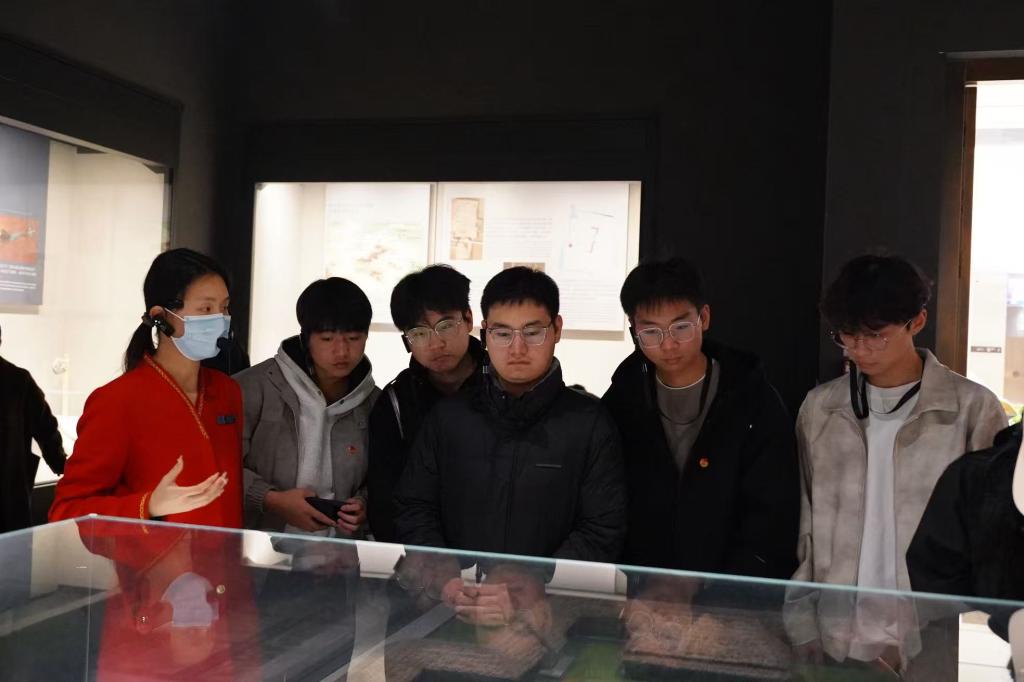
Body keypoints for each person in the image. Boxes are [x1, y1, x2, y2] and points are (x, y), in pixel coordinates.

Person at [784, 254, 1007, 670]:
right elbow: (805, 525)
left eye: (876, 336)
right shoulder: (821, 408)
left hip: (932, 636)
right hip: (835, 634)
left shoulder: (970, 409)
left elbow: (991, 538)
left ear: (917, 321)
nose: (859, 349)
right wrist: (801, 620)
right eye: (847, 335)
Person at [393, 266, 627, 565]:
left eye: (532, 333)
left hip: (552, 594)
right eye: (503, 333)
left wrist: (539, 580)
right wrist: (442, 570)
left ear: (557, 329)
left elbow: (603, 526)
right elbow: (414, 506)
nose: (517, 349)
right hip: (460, 590)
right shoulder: (449, 417)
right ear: (484, 333)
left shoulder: (588, 423)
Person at [601, 257, 799, 579]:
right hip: (647, 589)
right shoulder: (622, 399)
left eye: (681, 327)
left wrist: (723, 587)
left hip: (732, 589)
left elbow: (774, 511)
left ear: (703, 317)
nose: (668, 344)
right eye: (650, 331)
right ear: (634, 330)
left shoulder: (752, 398)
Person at [50, 248, 240, 527]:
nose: (220, 319)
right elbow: (67, 510)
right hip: (153, 556)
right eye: (206, 309)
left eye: (224, 308)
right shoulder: (116, 401)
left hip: (226, 554)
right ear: (160, 316)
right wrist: (148, 506)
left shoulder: (227, 391)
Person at [237, 277, 379, 539]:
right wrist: (271, 499)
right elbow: (218, 469)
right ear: (305, 339)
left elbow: (383, 478)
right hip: (257, 548)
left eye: (353, 338)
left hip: (339, 553)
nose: (342, 351)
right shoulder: (251, 388)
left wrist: (365, 504)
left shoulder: (374, 403)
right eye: (327, 339)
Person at [367, 264, 485, 542]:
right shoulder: (395, 402)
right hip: (421, 556)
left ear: (468, 319)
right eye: (419, 333)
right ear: (406, 341)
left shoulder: (505, 386)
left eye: (445, 326)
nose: (435, 343)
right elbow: (385, 501)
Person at [0, 321, 67, 531]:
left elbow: (46, 427)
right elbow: (46, 428)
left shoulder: (20, 381)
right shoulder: (18, 380)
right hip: (9, 497)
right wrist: (60, 463)